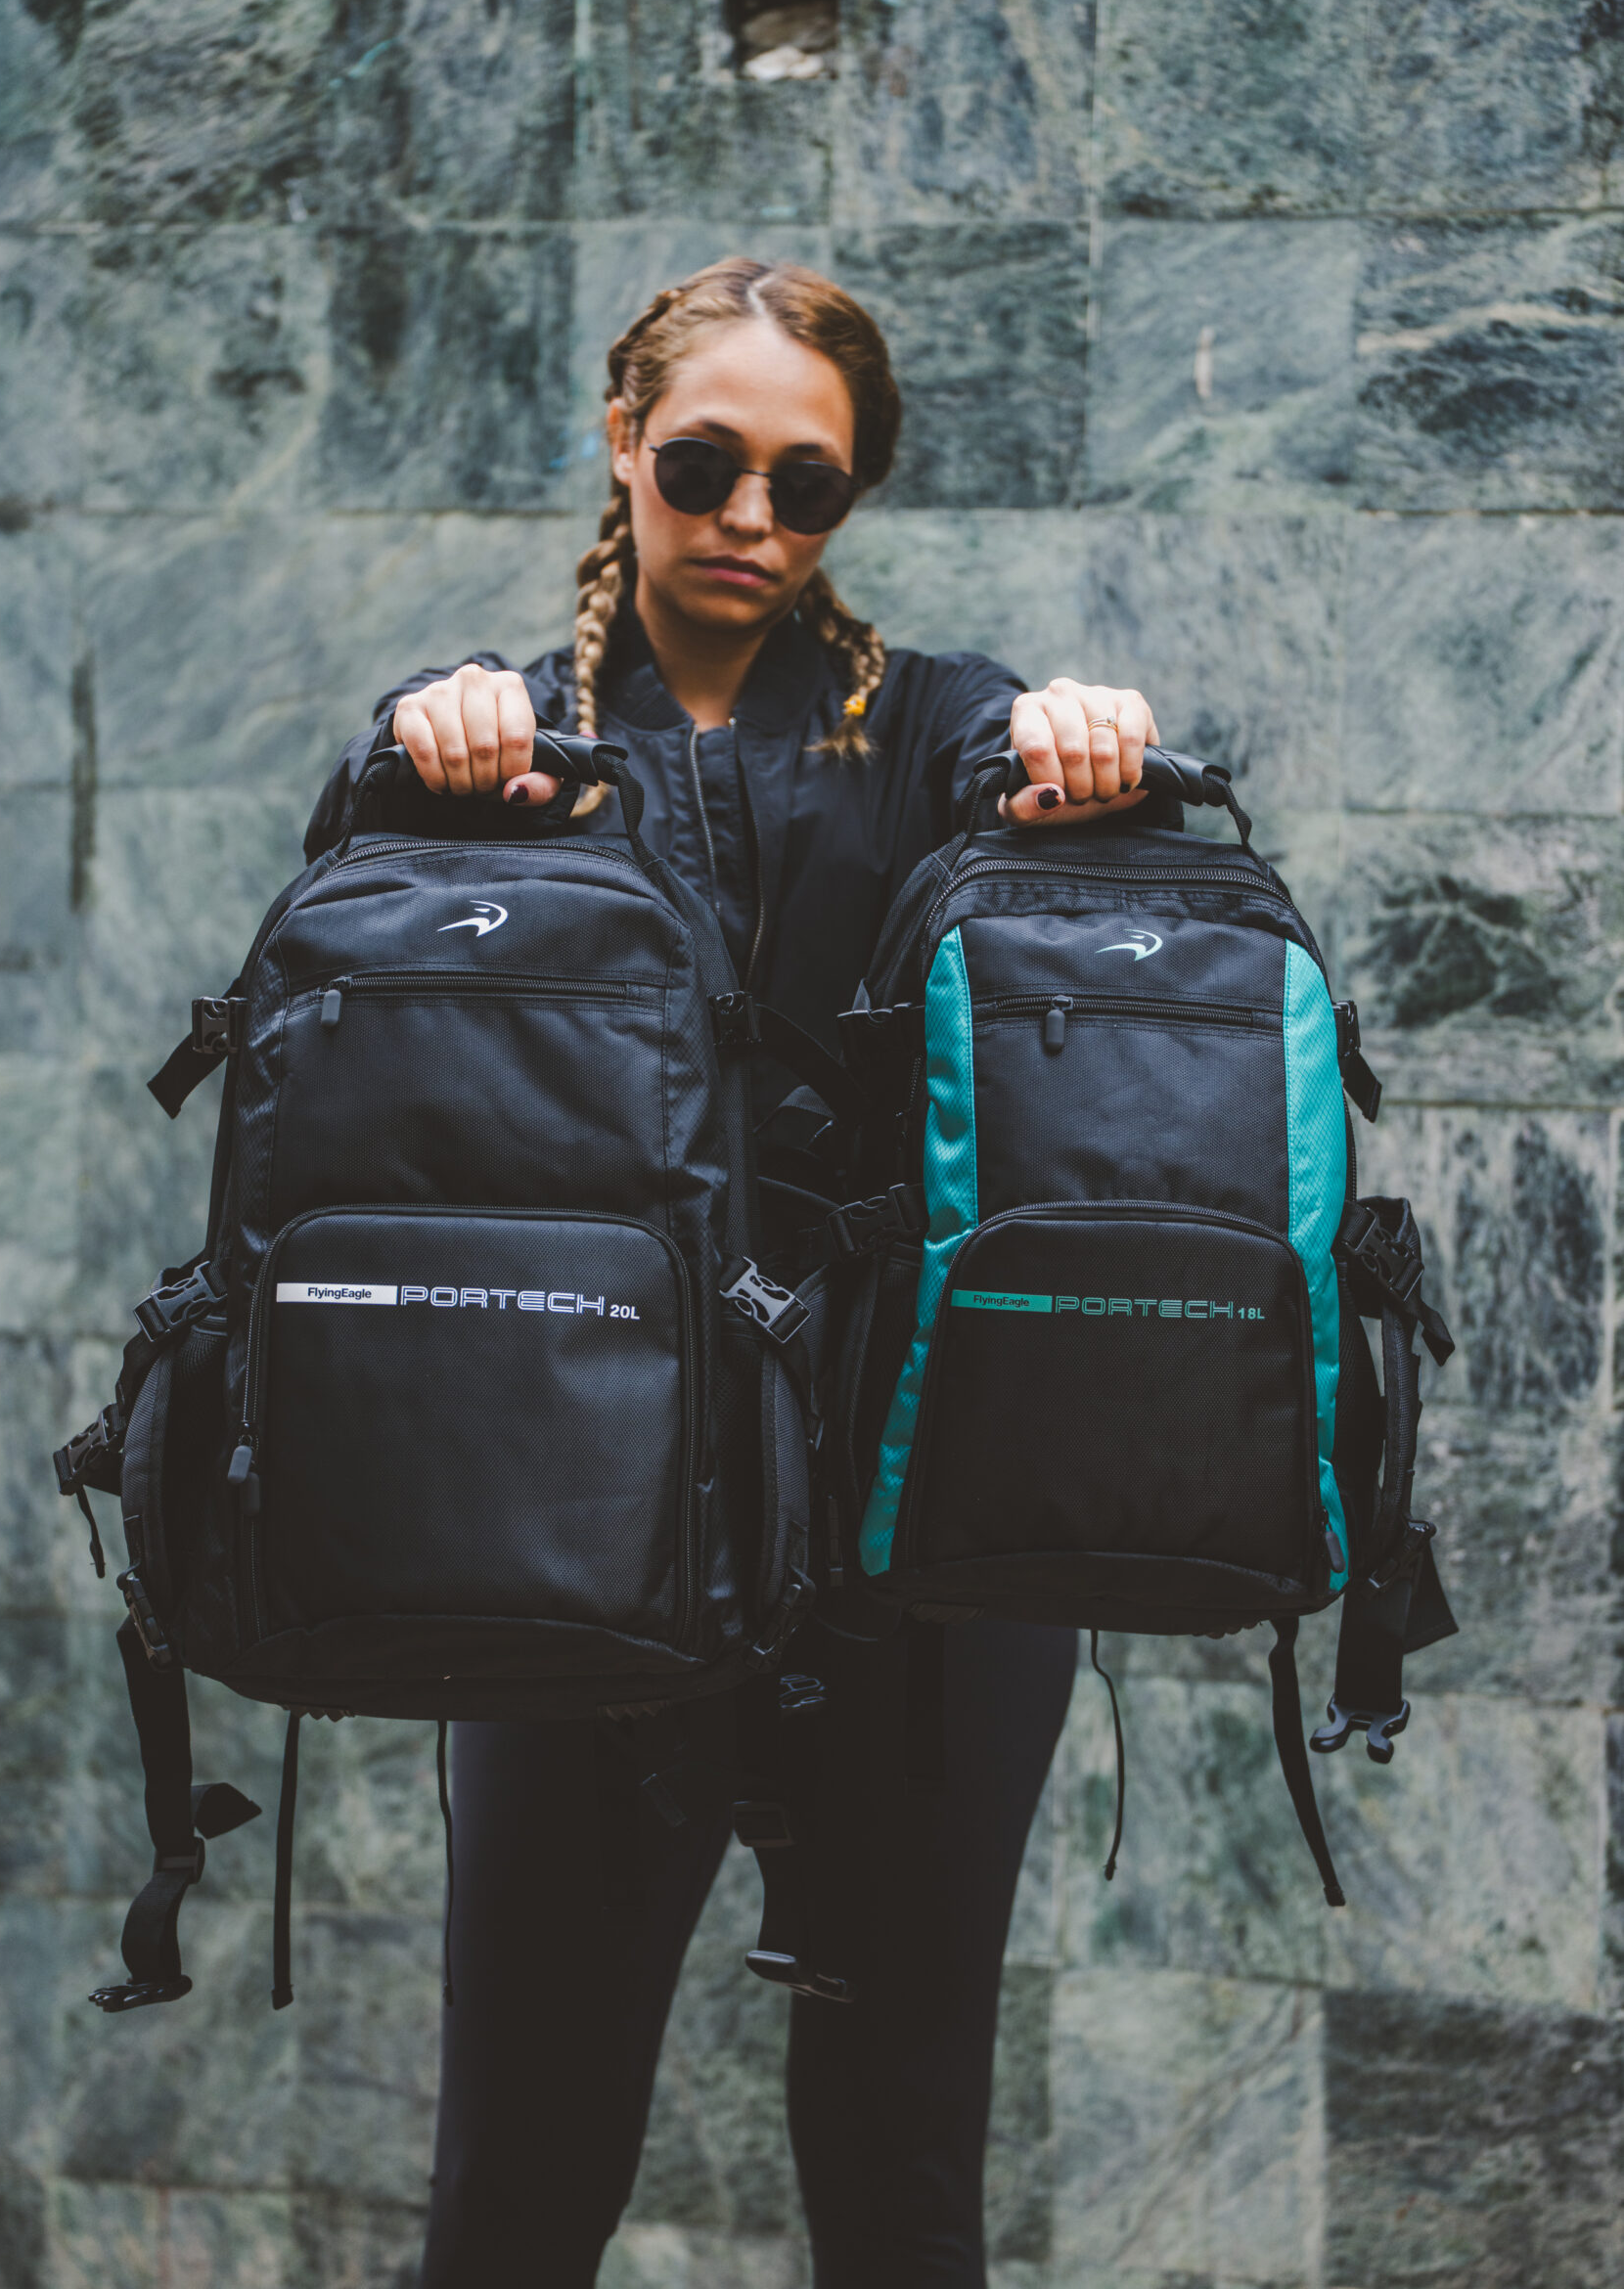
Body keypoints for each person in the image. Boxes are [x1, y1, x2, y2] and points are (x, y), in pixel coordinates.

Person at [305, 259, 1168, 2288]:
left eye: (808, 483)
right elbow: (347, 974)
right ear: (622, 439)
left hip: (912, 1536)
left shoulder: (930, 719)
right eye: (704, 464)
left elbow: (1027, 779)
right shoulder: (504, 728)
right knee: (517, 2185)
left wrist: (1084, 737)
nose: (752, 520)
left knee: (904, 2182)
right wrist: (410, 752)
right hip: (586, 1522)